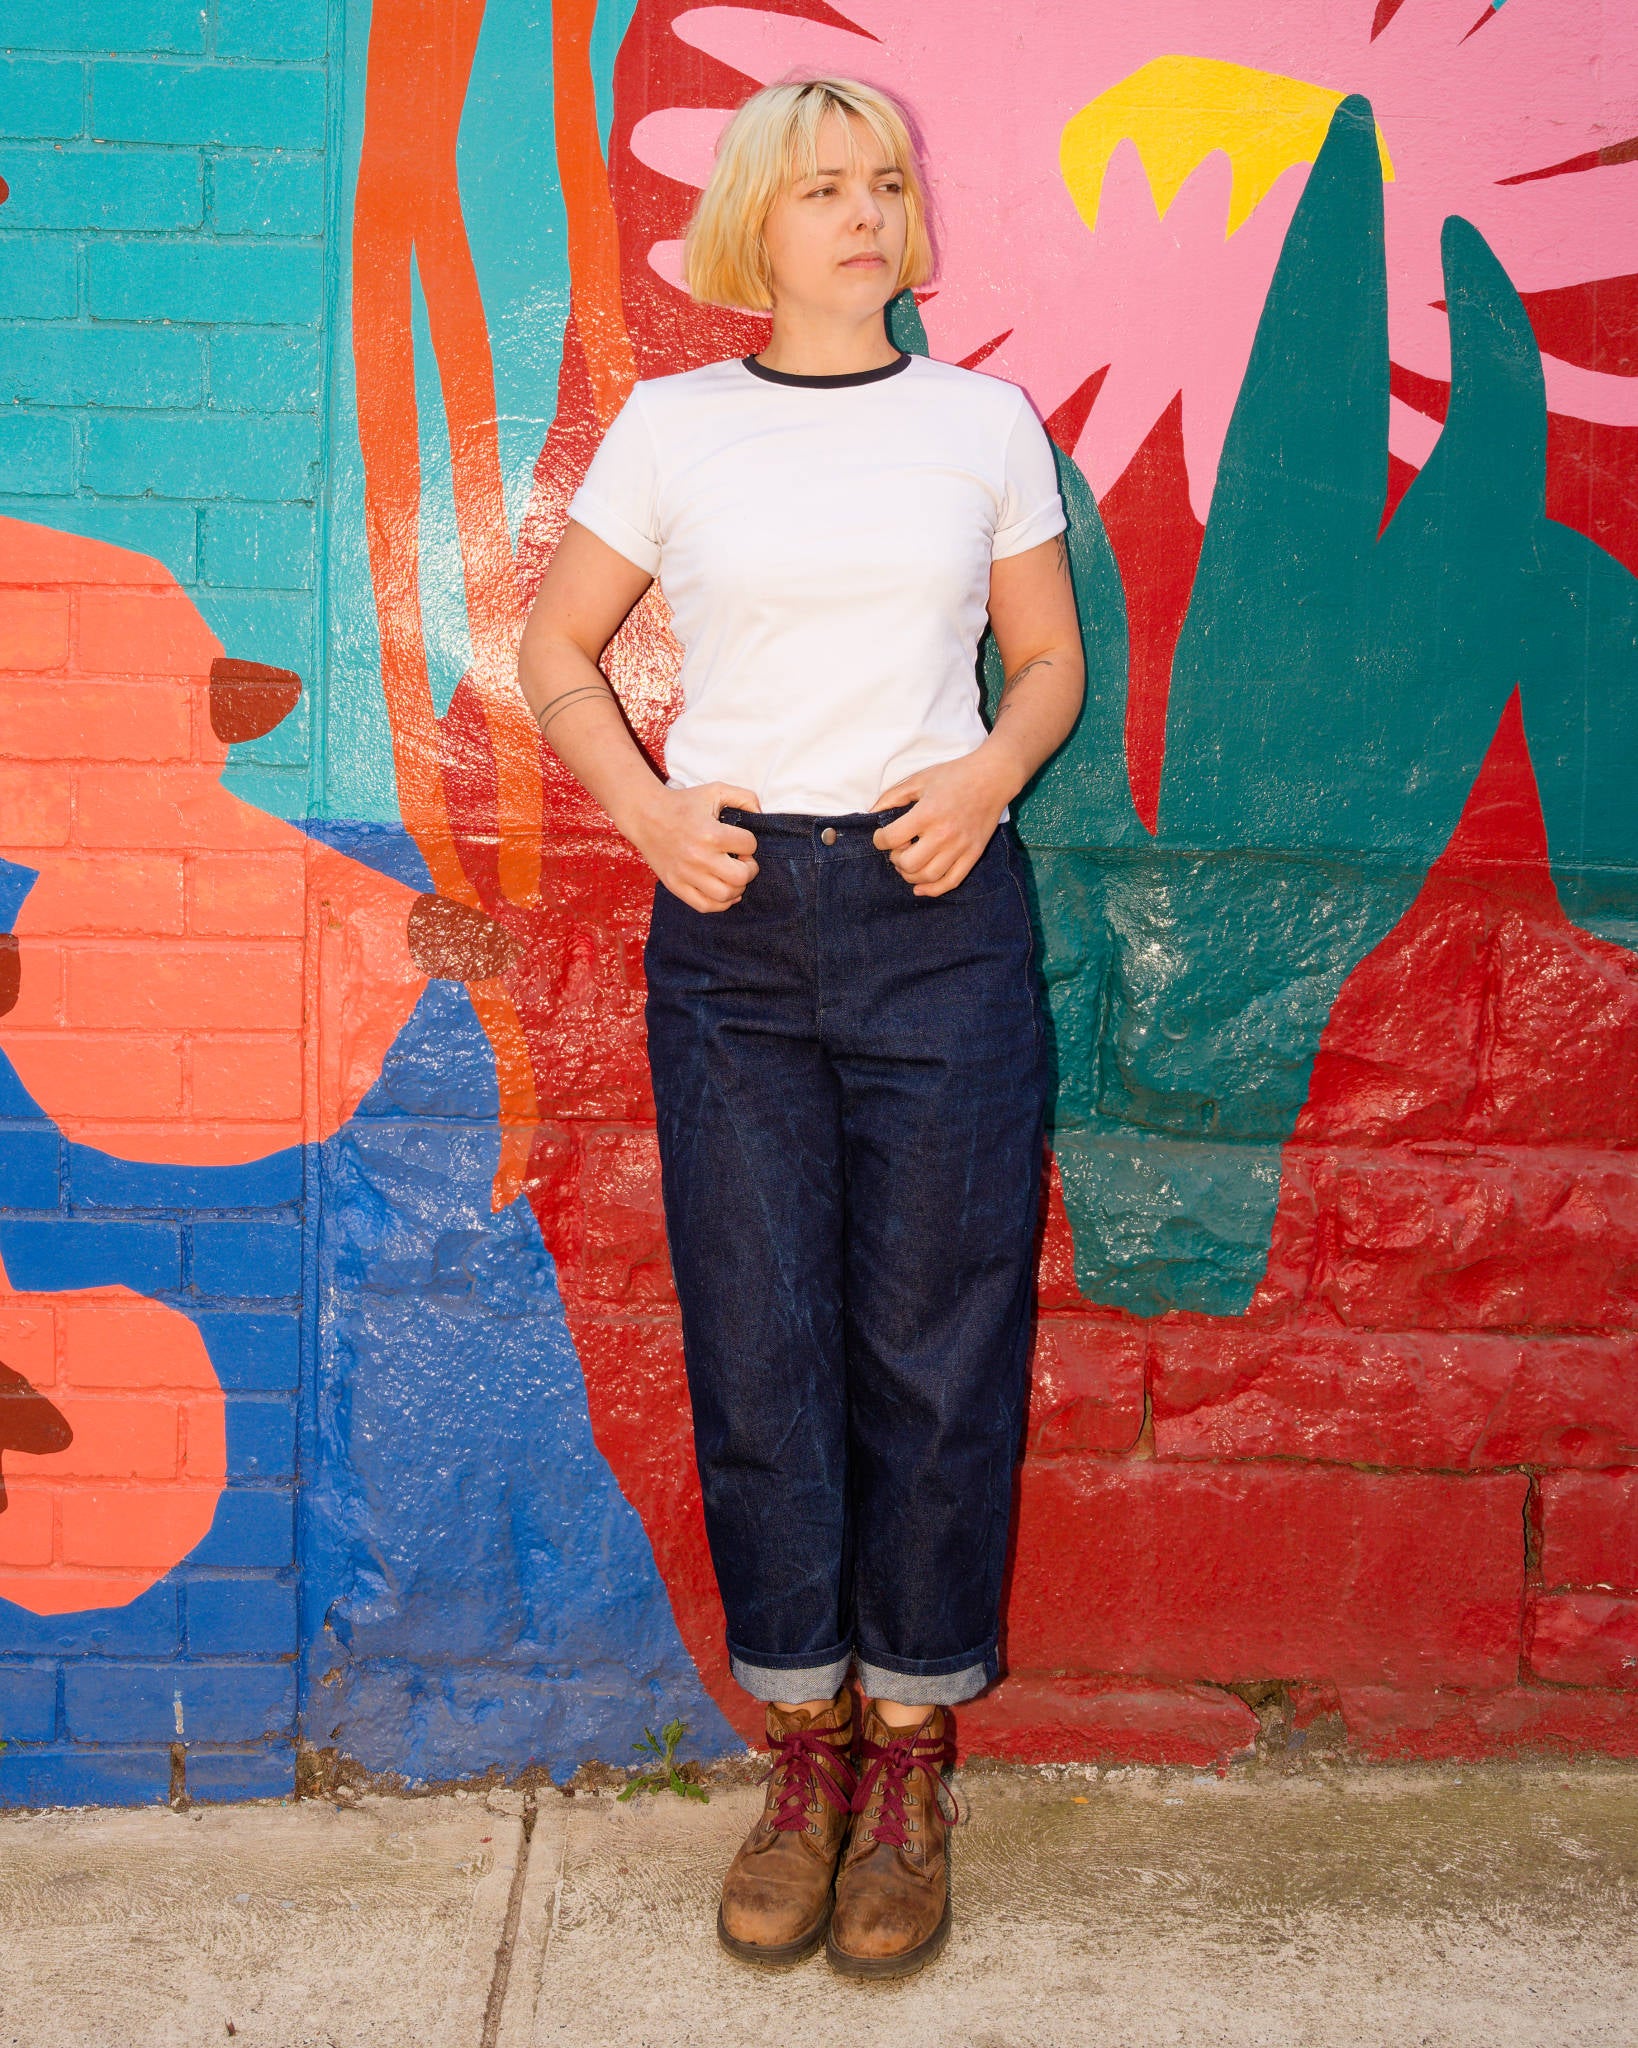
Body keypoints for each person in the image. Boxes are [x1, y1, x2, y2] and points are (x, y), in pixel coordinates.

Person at [517, 75, 1083, 1978]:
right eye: (824, 185)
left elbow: (1049, 656)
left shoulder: (979, 421)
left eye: (889, 182)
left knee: (936, 1344)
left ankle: (912, 1751)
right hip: (740, 930)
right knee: (761, 1342)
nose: (865, 212)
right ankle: (806, 1747)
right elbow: (553, 648)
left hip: (938, 922)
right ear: (756, 217)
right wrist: (651, 810)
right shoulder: (674, 430)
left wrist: (992, 776)